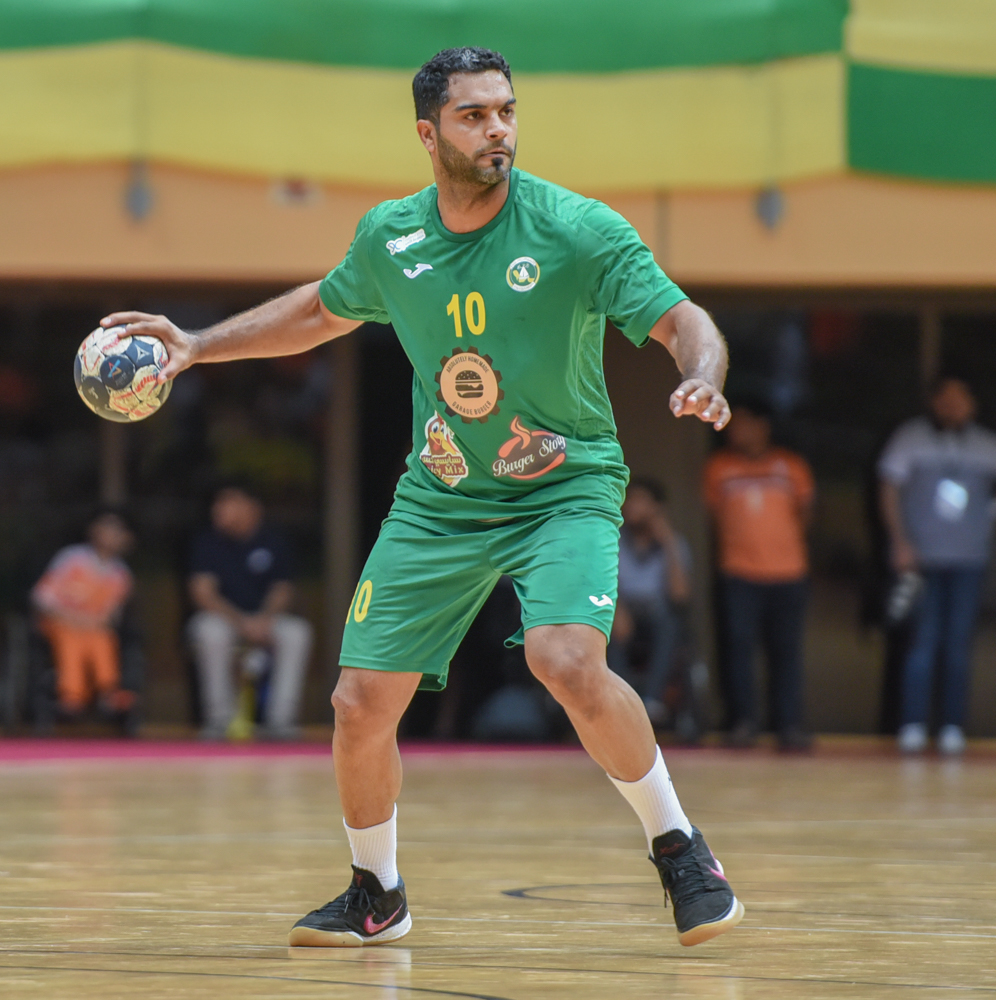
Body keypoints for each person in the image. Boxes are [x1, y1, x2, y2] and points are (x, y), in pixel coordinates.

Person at [101, 47, 743, 948]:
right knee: (359, 702)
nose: (497, 130)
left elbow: (682, 321)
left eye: (506, 111)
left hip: (562, 488)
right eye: (474, 116)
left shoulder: (575, 228)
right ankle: (378, 894)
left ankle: (681, 850)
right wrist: (199, 344)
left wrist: (702, 373)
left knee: (564, 659)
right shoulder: (390, 237)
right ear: (428, 134)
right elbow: (320, 311)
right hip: (440, 498)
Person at [878, 377, 996, 755]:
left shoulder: (987, 444)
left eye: (960, 399)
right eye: (946, 398)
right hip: (922, 558)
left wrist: (989, 516)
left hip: (969, 559)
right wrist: (900, 542)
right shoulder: (910, 437)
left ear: (973, 403)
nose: (953, 405)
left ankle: (952, 726)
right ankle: (912, 723)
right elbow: (889, 487)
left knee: (958, 644)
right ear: (933, 401)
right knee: (922, 642)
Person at [703, 403, 814, 750]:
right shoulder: (719, 467)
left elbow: (806, 512)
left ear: (762, 426)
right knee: (737, 651)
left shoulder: (790, 466)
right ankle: (742, 723)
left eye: (744, 424)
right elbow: (715, 516)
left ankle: (788, 726)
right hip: (738, 572)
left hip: (788, 572)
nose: (736, 431)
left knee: (786, 653)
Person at [188, 483, 313, 741]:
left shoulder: (273, 541)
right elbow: (203, 593)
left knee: (297, 632)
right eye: (218, 503)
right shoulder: (208, 542)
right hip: (226, 619)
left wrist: (263, 619)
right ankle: (219, 720)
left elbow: (283, 589)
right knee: (208, 631)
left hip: (265, 619)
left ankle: (281, 721)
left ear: (251, 507)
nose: (219, 509)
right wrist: (242, 622)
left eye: (228, 502)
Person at [31, 509, 136, 717]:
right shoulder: (72, 558)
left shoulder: (121, 574)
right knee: (71, 640)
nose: (112, 535)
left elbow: (111, 615)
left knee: (103, 640)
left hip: (92, 627)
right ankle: (72, 697)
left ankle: (108, 693)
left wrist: (91, 622)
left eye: (117, 531)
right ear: (94, 531)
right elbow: (41, 597)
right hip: (58, 621)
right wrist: (69, 618)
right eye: (107, 528)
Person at [608, 478, 692, 724]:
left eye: (640, 501)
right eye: (630, 500)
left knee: (670, 622)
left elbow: (680, 595)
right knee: (607, 623)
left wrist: (668, 542)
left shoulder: (674, 544)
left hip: (658, 613)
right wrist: (617, 609)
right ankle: (621, 704)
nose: (632, 507)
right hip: (623, 607)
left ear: (657, 508)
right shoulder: (613, 540)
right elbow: (606, 584)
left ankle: (652, 701)